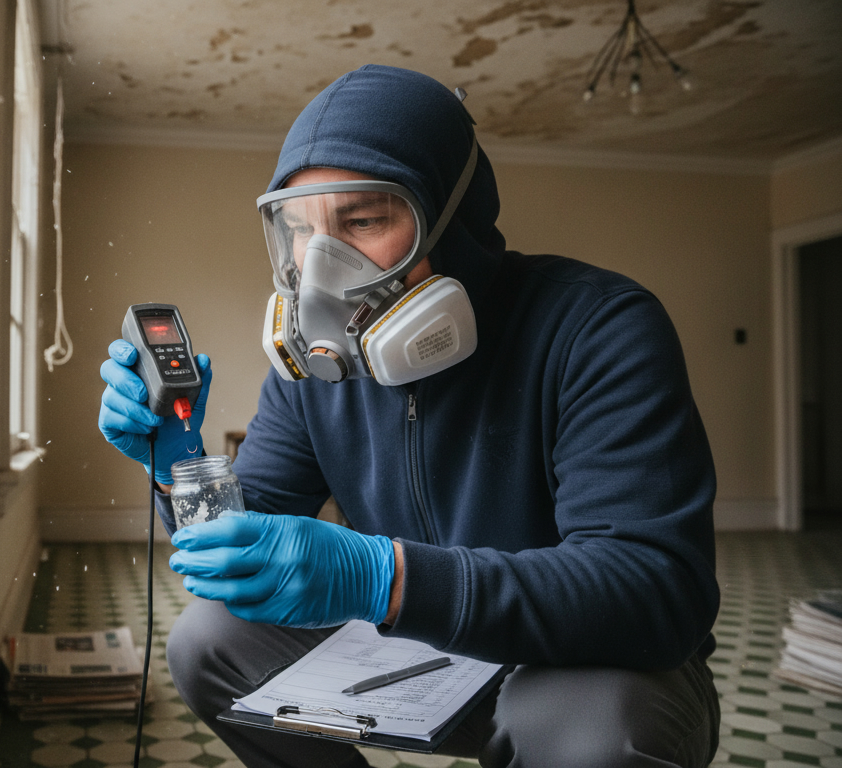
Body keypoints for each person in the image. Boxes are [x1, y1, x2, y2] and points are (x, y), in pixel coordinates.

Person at [98, 65, 720, 768]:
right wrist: (176, 460)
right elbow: (247, 534)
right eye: (298, 229)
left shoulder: (599, 327)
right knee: (208, 638)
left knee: (584, 732)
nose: (320, 266)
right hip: (419, 645)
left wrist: (384, 579)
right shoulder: (316, 372)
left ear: (452, 223)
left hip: (582, 664)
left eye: (363, 220)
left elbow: (655, 591)